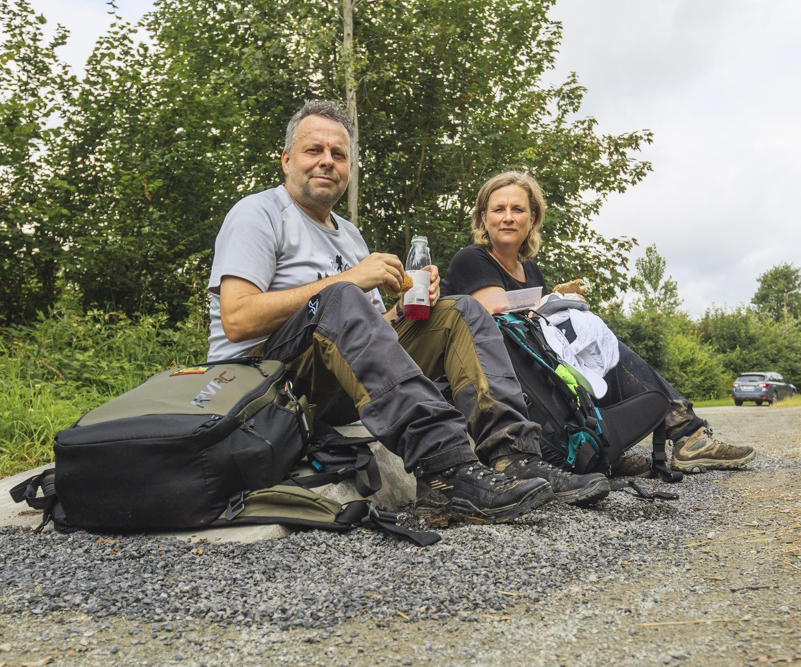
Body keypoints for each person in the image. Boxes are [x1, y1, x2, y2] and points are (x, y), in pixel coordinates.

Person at [206, 102, 611, 526]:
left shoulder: (349, 234)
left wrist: (409, 305)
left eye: (338, 154)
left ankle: (515, 458)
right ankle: (447, 473)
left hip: (335, 381)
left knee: (462, 309)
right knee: (342, 296)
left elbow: (371, 337)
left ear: (349, 168)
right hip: (265, 382)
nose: (327, 161)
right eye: (313, 151)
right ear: (287, 159)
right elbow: (237, 320)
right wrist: (351, 280)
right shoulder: (259, 213)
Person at [442, 171, 756, 474]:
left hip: (533, 374)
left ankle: (665, 435)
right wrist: (552, 306)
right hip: (487, 381)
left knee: (599, 344)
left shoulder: (530, 271)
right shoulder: (473, 259)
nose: (507, 217)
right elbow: (495, 315)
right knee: (583, 338)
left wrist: (562, 301)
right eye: (498, 209)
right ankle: (685, 432)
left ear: (533, 219)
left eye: (517, 209)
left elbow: (534, 325)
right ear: (484, 218)